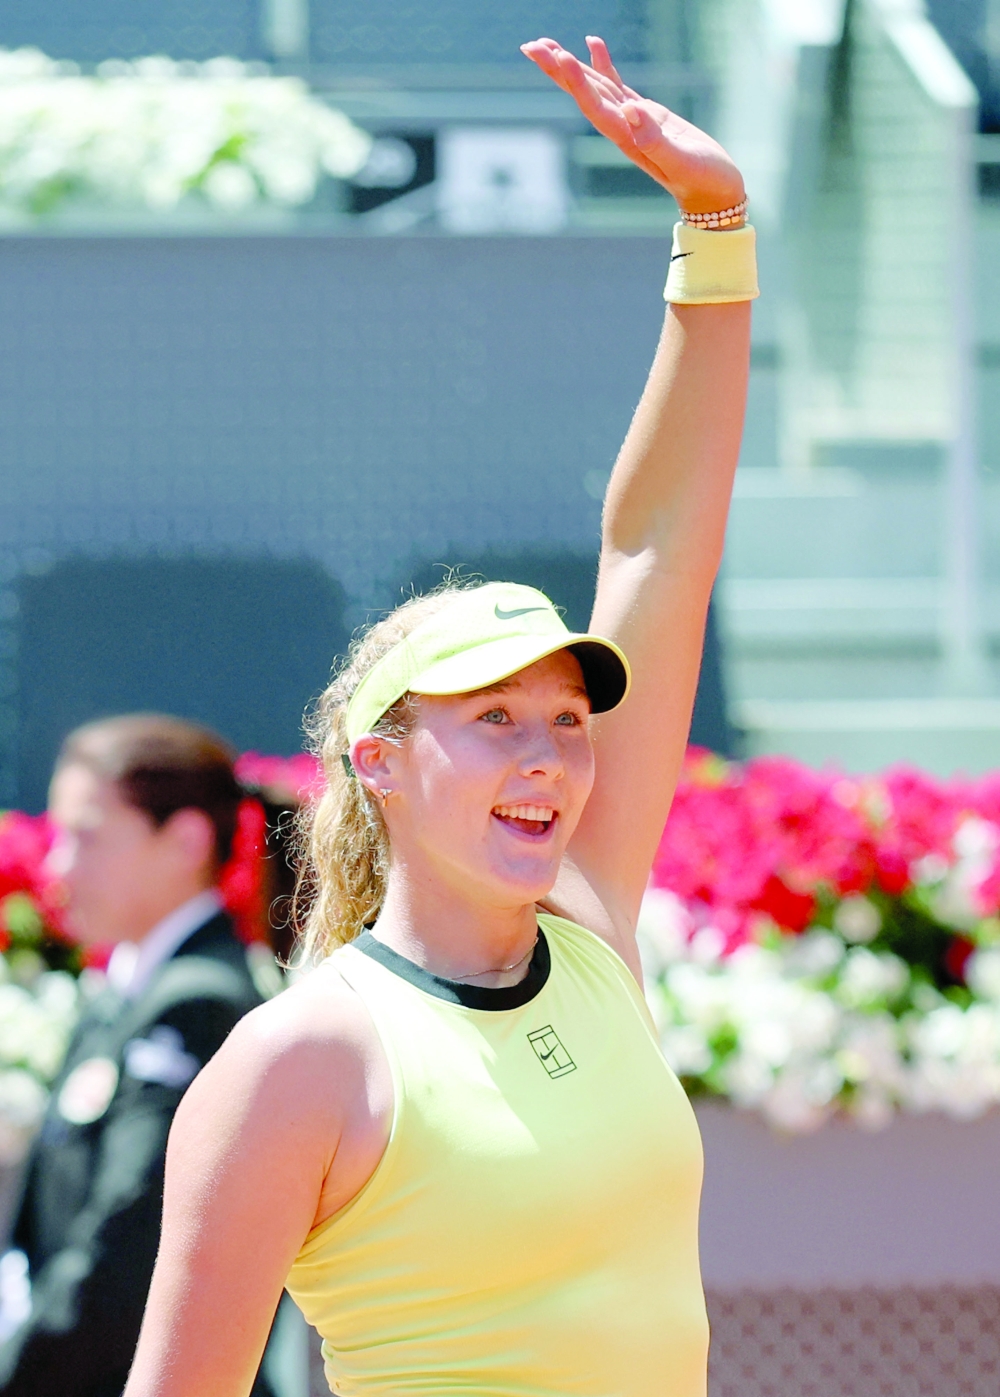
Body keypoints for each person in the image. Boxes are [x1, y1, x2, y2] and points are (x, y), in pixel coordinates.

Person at [124, 34, 756, 1397]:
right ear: (385, 766)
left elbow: (657, 551)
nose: (550, 758)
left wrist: (715, 229)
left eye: (567, 721)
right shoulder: (302, 1058)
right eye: (497, 719)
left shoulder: (585, 931)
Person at [0, 715, 276, 1397]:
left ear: (184, 839)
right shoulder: (128, 990)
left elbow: (126, 1260)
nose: (59, 864)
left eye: (87, 835)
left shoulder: (199, 1004)